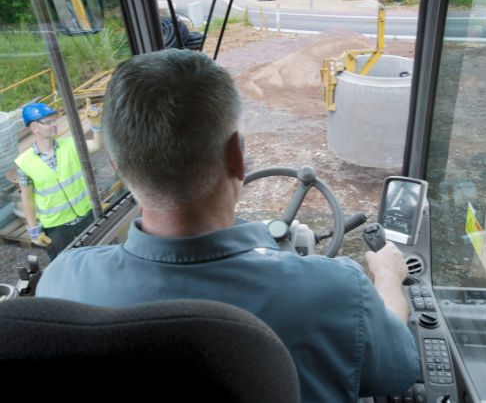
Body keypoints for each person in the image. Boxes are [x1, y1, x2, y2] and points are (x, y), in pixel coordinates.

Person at [37, 49, 420, 401]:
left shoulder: (62, 284)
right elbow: (397, 371)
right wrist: (387, 276)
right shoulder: (337, 291)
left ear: (120, 169)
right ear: (237, 156)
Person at [15, 100, 102, 260]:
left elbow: (97, 144)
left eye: (54, 120)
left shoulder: (70, 145)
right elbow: (26, 199)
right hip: (56, 228)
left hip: (86, 217)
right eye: (48, 122)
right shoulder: (24, 163)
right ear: (35, 128)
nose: (54, 124)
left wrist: (96, 125)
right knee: (65, 267)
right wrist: (34, 230)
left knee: (97, 258)